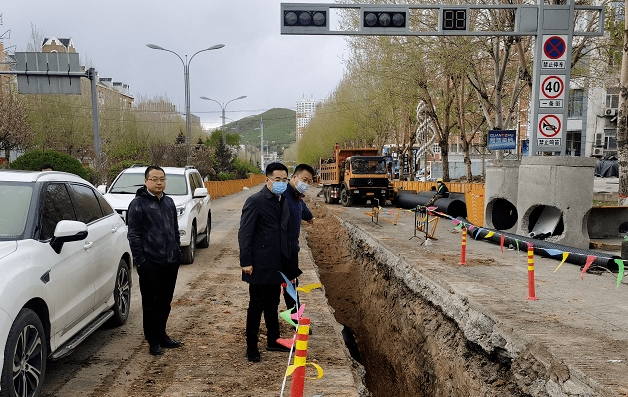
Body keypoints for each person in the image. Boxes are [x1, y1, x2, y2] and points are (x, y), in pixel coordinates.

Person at [239, 162, 295, 362]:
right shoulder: (255, 201)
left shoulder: (283, 200)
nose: (281, 183)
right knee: (256, 305)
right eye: (277, 179)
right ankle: (251, 346)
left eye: (284, 179)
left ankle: (274, 340)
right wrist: (246, 261)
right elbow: (245, 233)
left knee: (273, 303)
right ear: (268, 180)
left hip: (277, 263)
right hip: (258, 263)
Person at [127, 165, 182, 356]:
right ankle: (153, 339)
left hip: (170, 261)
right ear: (146, 181)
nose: (159, 183)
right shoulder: (138, 204)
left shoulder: (169, 202)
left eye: (162, 179)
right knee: (152, 304)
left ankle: (162, 334)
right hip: (150, 262)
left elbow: (174, 230)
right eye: (155, 179)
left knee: (165, 302)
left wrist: (177, 252)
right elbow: (133, 235)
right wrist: (141, 261)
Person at [282, 164, 315, 319]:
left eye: (309, 181)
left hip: (291, 250)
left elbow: (303, 210)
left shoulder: (297, 197)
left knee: (291, 286)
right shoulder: (282, 195)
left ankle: (295, 319)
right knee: (280, 287)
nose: (306, 183)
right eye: (304, 179)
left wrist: (310, 217)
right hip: (279, 250)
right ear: (294, 177)